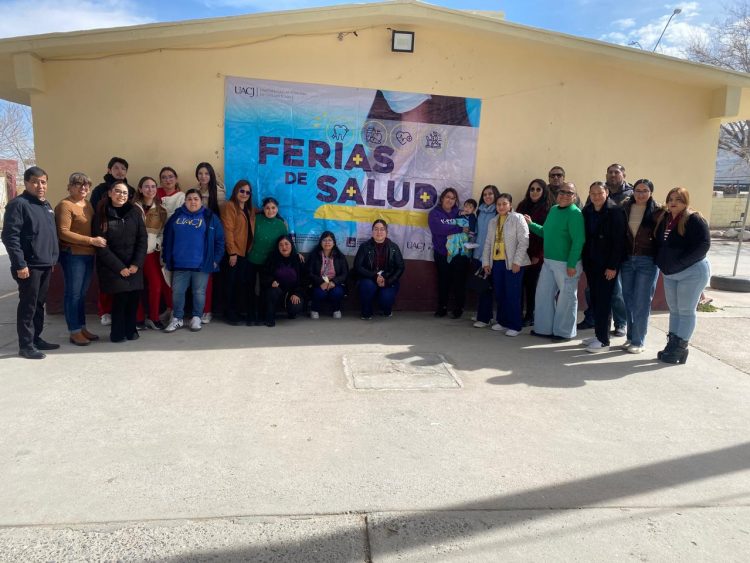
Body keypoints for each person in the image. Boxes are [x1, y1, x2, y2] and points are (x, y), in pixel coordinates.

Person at [1, 166, 60, 359]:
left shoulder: (45, 205)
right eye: (35, 182)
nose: (40, 186)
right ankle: (26, 345)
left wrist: (52, 258)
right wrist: (20, 264)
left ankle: (36, 338)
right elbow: (10, 236)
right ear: (26, 183)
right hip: (29, 266)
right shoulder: (18, 204)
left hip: (45, 263)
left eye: (43, 182)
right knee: (28, 305)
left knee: (39, 303)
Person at [654, 187, 711, 364]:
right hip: (671, 274)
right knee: (675, 310)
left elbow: (703, 245)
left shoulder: (695, 219)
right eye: (671, 199)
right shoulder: (665, 218)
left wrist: (680, 263)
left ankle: (680, 347)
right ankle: (672, 345)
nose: (673, 202)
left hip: (692, 272)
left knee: (686, 311)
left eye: (678, 199)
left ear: (686, 201)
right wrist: (661, 262)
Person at [525, 181, 585, 341]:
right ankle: (543, 329)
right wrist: (531, 225)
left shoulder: (575, 213)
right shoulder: (553, 210)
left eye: (569, 193)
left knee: (566, 299)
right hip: (549, 261)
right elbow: (545, 232)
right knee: (543, 295)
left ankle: (564, 332)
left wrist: (572, 264)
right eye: (562, 192)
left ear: (575, 196)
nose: (565, 195)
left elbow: (578, 240)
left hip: (566, 264)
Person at [162, 189, 225, 333]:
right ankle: (177, 318)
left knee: (199, 292)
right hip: (180, 263)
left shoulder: (210, 217)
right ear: (185, 201)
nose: (192, 202)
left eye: (196, 199)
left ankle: (197, 317)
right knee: (178, 292)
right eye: (189, 199)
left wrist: (216, 260)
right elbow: (167, 237)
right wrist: (166, 257)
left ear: (201, 201)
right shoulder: (176, 216)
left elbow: (220, 240)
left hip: (201, 264)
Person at [54, 172, 106, 346]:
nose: (83, 188)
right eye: (78, 184)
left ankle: (82, 327)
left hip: (88, 255)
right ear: (69, 187)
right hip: (73, 255)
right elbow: (63, 232)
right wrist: (91, 240)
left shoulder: (87, 204)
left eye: (86, 185)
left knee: (81, 294)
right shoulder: (65, 205)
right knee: (73, 294)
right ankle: (74, 331)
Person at [92, 180, 147, 343]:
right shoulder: (101, 214)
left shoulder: (134, 212)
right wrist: (119, 268)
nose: (121, 195)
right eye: (117, 191)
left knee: (133, 298)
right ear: (110, 193)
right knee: (120, 299)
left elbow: (142, 239)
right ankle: (117, 333)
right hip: (113, 267)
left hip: (133, 265)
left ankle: (131, 330)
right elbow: (101, 246)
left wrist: (136, 264)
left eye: (124, 193)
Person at [580, 182, 627, 353]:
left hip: (607, 266)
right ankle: (598, 334)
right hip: (591, 263)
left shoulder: (615, 211)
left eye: (600, 193)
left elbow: (619, 242)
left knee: (604, 301)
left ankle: (603, 341)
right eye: (593, 193)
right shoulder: (587, 211)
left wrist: (612, 266)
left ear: (606, 193)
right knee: (595, 300)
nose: (596, 196)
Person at [620, 179, 664, 354]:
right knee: (628, 300)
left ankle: (638, 341)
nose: (640, 194)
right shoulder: (625, 208)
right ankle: (630, 337)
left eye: (645, 190)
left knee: (642, 301)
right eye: (637, 190)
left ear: (651, 193)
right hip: (627, 260)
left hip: (647, 261)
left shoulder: (658, 212)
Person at [479, 192, 530, 336]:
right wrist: (486, 262)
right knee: (500, 293)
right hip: (497, 263)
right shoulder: (493, 221)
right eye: (498, 204)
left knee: (513, 294)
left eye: (504, 204)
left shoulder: (517, 218)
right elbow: (488, 243)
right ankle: (503, 321)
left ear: (510, 205)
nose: (501, 207)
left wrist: (517, 261)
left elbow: (524, 241)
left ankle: (515, 325)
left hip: (513, 263)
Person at [90, 157, 132, 327]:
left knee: (123, 280)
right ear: (109, 170)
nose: (120, 171)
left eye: (123, 169)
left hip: (125, 241)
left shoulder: (130, 190)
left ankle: (119, 312)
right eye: (116, 168)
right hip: (106, 239)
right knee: (107, 278)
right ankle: (105, 311)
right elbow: (95, 213)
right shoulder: (100, 190)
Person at [133, 176, 171, 330]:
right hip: (133, 254)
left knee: (156, 285)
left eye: (153, 186)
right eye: (146, 186)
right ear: (140, 189)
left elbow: (162, 232)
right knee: (135, 286)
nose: (150, 189)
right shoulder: (131, 208)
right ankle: (138, 318)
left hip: (150, 254)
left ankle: (154, 318)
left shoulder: (162, 210)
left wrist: (157, 243)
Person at [428, 187, 470, 318]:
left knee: (459, 282)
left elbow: (468, 226)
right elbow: (438, 229)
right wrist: (458, 228)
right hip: (442, 253)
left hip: (459, 253)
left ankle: (459, 308)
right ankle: (442, 307)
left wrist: (458, 228)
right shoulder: (434, 213)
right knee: (443, 281)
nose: (450, 200)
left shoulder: (459, 213)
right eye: (448, 197)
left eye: (453, 198)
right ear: (442, 198)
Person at [515, 178, 552, 327]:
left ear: (544, 191)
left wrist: (538, 255)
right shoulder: (522, 206)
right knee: (519, 285)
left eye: (538, 189)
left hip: (536, 255)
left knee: (532, 286)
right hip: (520, 253)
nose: (534, 192)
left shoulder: (549, 208)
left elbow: (547, 234)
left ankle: (530, 315)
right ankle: (517, 314)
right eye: (532, 189)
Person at [247, 197, 288, 324]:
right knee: (250, 288)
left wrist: (297, 253)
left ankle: (263, 316)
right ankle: (251, 316)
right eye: (267, 208)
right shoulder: (256, 219)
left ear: (277, 209)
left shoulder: (281, 224)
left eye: (273, 208)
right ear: (263, 209)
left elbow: (286, 242)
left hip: (269, 263)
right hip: (252, 259)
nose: (270, 211)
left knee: (266, 290)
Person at [194, 162, 226, 324]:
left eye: (206, 173)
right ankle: (198, 310)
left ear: (211, 175)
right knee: (197, 276)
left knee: (210, 276)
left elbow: (224, 217)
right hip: (196, 239)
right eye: (200, 173)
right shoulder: (194, 192)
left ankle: (208, 310)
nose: (203, 176)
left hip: (213, 238)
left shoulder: (219, 193)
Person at [353, 219, 405, 320]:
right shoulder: (364, 247)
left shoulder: (394, 247)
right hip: (369, 278)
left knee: (386, 298)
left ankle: (386, 310)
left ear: (386, 232)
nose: (379, 232)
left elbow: (400, 267)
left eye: (382, 229)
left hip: (388, 279)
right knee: (367, 285)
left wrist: (388, 281)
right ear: (372, 232)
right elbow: (357, 266)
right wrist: (374, 276)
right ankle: (366, 312)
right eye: (376, 229)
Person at [220, 179, 255, 325]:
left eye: (248, 192)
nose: (244, 194)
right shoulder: (230, 206)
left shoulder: (249, 209)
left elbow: (262, 211)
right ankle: (229, 313)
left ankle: (236, 311)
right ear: (236, 191)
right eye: (242, 191)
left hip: (244, 253)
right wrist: (232, 252)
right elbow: (227, 229)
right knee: (230, 283)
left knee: (239, 284)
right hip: (233, 252)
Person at [260, 234, 307, 327]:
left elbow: (305, 279)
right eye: (281, 245)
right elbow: (264, 274)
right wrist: (271, 281)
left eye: (286, 244)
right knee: (272, 292)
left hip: (292, 292)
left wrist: (297, 293)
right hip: (277, 291)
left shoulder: (298, 259)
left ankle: (291, 312)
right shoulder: (272, 258)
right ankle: (270, 317)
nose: (284, 247)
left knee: (296, 305)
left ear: (291, 245)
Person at [471, 185, 500, 324]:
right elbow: (476, 232)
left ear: (496, 196)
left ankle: (484, 319)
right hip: (477, 254)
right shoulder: (480, 211)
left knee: (487, 287)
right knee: (481, 285)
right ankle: (484, 314)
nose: (487, 196)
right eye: (485, 194)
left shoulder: (499, 212)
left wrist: (489, 256)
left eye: (490, 194)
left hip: (490, 256)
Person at [308, 231, 349, 319]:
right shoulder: (314, 255)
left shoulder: (340, 256)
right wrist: (320, 282)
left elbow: (345, 274)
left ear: (334, 243)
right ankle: (314, 309)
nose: (327, 242)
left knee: (337, 292)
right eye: (324, 240)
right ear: (320, 242)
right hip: (319, 282)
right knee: (320, 293)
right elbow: (309, 273)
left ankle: (336, 309)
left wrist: (334, 282)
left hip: (335, 283)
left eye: (330, 240)